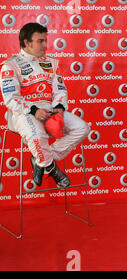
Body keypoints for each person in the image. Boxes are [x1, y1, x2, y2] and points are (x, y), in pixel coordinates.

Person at [0, 23, 90, 189]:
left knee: (82, 127)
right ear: (27, 42)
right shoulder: (10, 65)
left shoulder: (51, 63)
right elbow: (10, 99)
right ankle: (52, 168)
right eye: (40, 41)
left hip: (49, 110)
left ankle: (40, 160)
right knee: (37, 136)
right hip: (23, 113)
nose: (45, 45)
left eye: (45, 40)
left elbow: (60, 90)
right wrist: (33, 110)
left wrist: (59, 107)